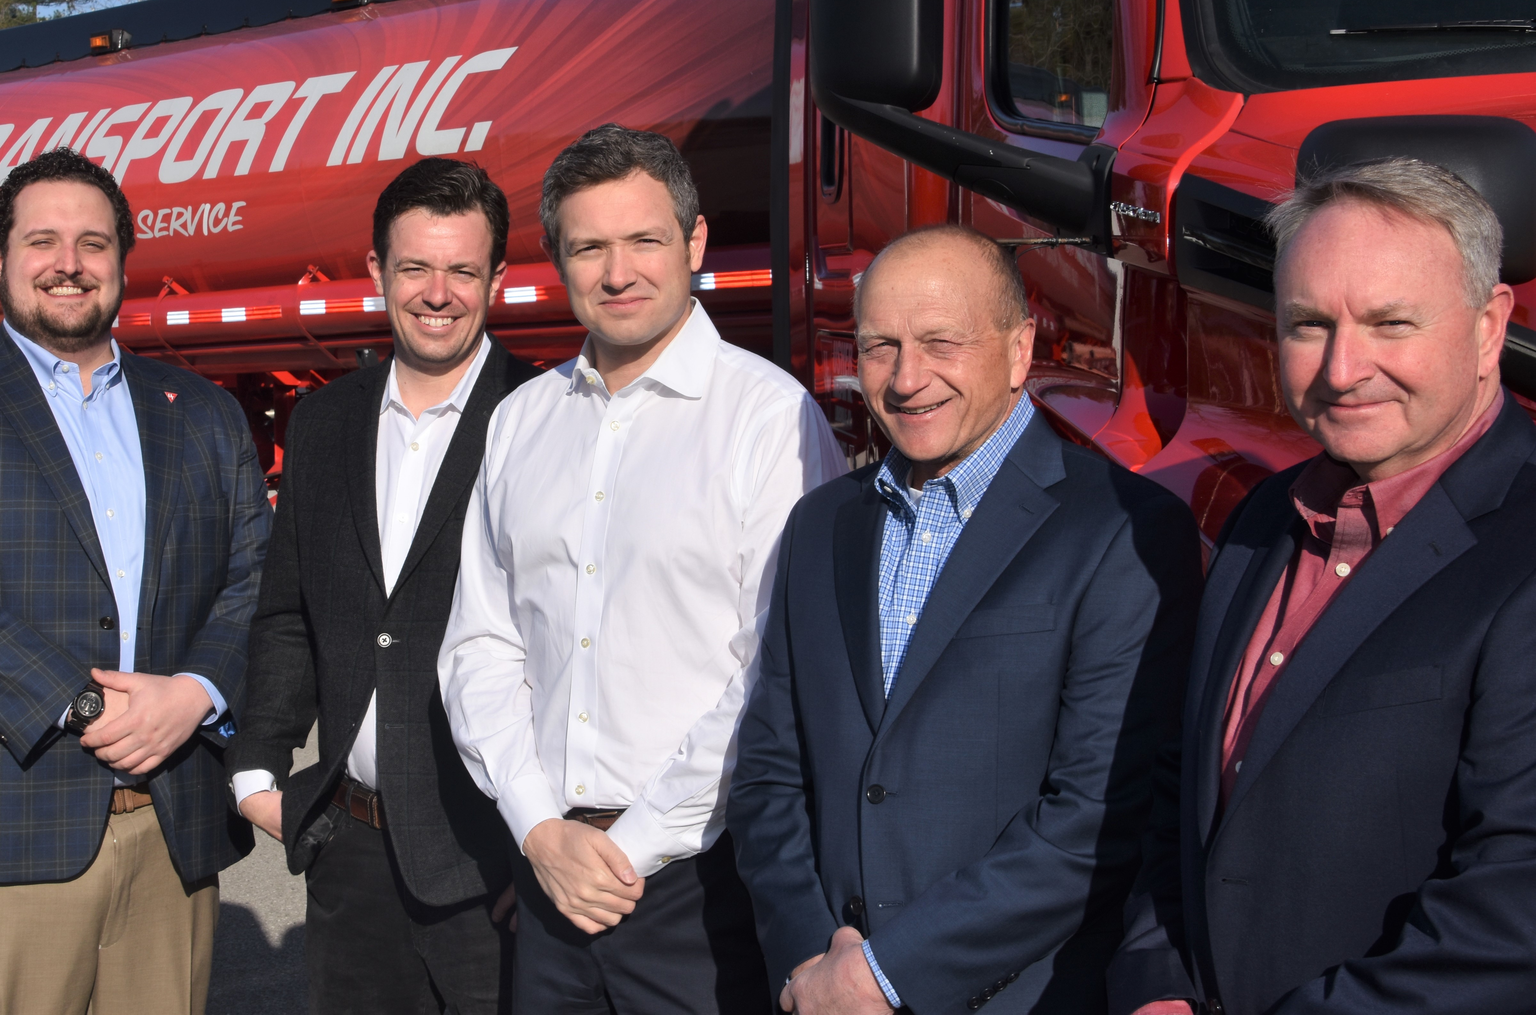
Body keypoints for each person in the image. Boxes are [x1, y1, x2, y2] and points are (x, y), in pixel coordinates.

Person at [728, 225, 1203, 1015]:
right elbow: (770, 772)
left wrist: (883, 976)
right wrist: (812, 959)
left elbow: (1094, 816)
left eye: (940, 342)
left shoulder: (1122, 529)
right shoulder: (823, 524)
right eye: (880, 346)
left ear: (1020, 350)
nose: (907, 378)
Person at [1110, 159, 1536, 1014]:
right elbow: (1179, 796)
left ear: (1490, 328)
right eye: (1308, 324)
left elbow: (1513, 913)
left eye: (1390, 322)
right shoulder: (1267, 516)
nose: (1343, 370)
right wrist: (1155, 983)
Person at [438, 123, 846, 1014]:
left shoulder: (767, 419)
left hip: (701, 882)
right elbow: (480, 644)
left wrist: (633, 845)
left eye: (645, 240)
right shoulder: (522, 422)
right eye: (589, 247)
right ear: (557, 260)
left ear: (695, 242)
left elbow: (771, 672)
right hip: (550, 872)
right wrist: (539, 828)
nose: (618, 272)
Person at [0, 147, 268, 1015]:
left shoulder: (200, 410)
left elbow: (253, 576)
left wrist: (195, 692)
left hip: (171, 825)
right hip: (2, 825)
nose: (68, 264)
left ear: (123, 261)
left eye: (93, 242)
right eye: (41, 239)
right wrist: (87, 707)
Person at [226, 158, 540, 1013]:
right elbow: (290, 611)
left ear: (497, 279)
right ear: (376, 272)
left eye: (463, 271)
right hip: (349, 854)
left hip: (492, 863)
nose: (438, 293)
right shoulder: (325, 421)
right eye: (414, 268)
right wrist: (257, 767)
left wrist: (545, 846)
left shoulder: (545, 417)